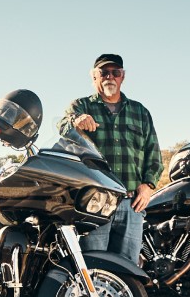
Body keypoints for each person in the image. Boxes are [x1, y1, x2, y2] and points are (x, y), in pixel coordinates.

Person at [58, 53, 162, 266]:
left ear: (122, 77)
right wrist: (76, 121)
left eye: (115, 73)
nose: (109, 77)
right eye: (103, 72)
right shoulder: (81, 106)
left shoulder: (140, 112)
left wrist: (148, 185)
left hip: (131, 202)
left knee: (127, 268)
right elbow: (62, 128)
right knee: (94, 266)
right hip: (95, 202)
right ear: (94, 77)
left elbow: (153, 153)